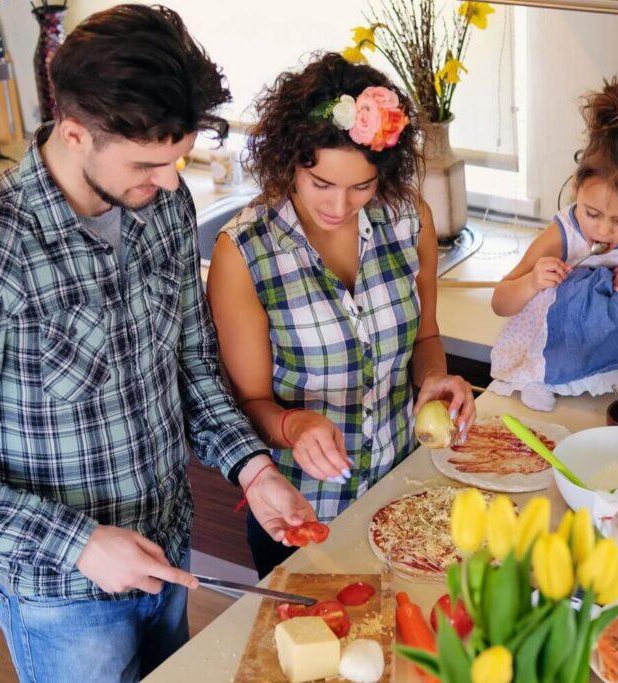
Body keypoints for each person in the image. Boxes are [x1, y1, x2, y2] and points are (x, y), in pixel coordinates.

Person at [0, 5, 314, 682]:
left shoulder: (162, 204)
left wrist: (252, 468)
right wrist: (79, 543)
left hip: (168, 551)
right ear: (75, 132)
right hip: (65, 598)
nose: (169, 181)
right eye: (147, 163)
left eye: (176, 159)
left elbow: (191, 362)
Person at [206, 53, 476, 578]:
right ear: (291, 161)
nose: (339, 205)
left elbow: (425, 339)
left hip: (403, 497)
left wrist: (435, 381)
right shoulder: (245, 252)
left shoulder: (408, 219)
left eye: (361, 187)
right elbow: (249, 404)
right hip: (302, 514)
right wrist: (294, 424)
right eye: (321, 184)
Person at [489, 77, 618, 412]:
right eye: (592, 213)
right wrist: (532, 282)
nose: (604, 230)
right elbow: (500, 302)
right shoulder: (563, 233)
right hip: (574, 340)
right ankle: (543, 379)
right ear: (576, 187)